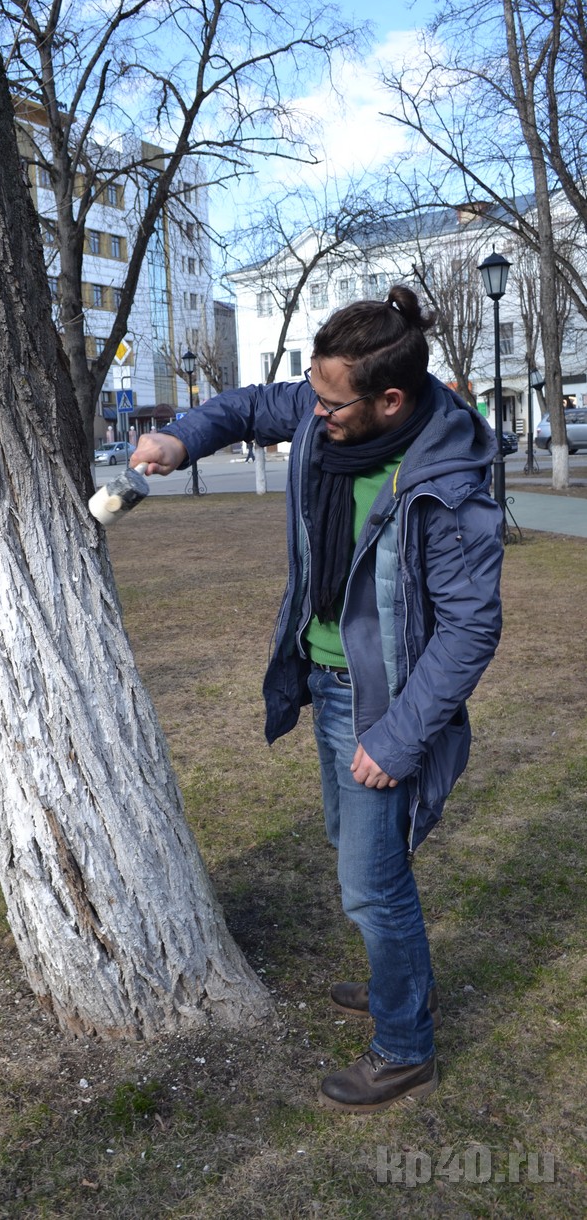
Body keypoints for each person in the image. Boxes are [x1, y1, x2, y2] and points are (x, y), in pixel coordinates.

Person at [130, 286, 503, 1114]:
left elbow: (471, 630)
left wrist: (399, 737)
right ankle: (392, 978)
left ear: (390, 400)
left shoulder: (446, 480)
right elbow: (243, 407)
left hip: (385, 705)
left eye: (332, 405)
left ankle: (405, 1046)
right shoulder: (333, 405)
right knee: (357, 856)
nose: (315, 415)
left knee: (370, 884)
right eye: (315, 394)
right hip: (328, 683)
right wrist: (178, 439)